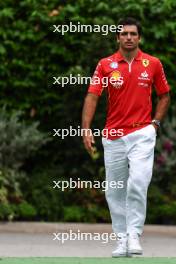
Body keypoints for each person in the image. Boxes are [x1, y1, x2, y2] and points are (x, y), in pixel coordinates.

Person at [81, 17, 170, 257]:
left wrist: (155, 124)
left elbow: (164, 95)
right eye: (124, 34)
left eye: (133, 34)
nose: (128, 37)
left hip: (142, 133)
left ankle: (134, 235)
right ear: (117, 37)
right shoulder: (105, 64)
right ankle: (121, 239)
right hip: (113, 135)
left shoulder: (153, 64)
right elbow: (92, 95)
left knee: (138, 183)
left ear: (139, 37)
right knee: (114, 189)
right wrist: (86, 128)